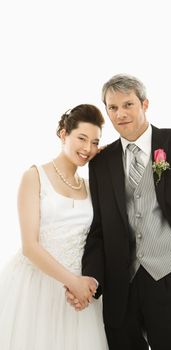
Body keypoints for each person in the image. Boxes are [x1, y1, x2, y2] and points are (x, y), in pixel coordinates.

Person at [67, 74, 171, 350]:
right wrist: (92, 277)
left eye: (128, 105)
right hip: (120, 286)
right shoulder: (101, 162)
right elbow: (100, 229)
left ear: (145, 104)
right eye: (112, 108)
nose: (120, 114)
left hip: (170, 278)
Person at [0, 104, 109, 349]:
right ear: (63, 134)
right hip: (37, 286)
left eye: (94, 142)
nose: (87, 148)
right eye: (82, 138)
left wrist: (84, 286)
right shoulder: (34, 176)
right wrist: (72, 281)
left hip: (77, 296)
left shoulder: (91, 188)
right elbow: (30, 246)